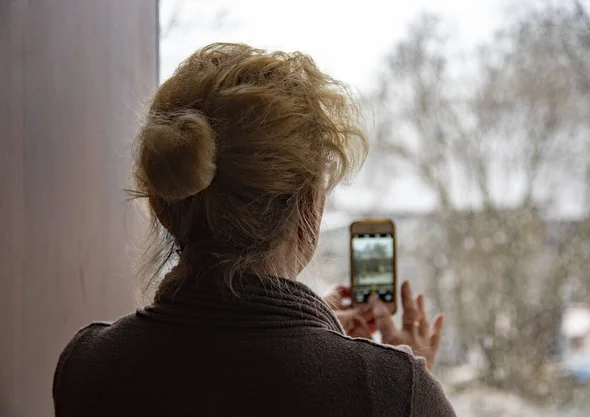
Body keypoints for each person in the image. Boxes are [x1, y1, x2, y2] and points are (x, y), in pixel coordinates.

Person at [52, 43, 456, 417]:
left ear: (161, 204)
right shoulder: (392, 391)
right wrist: (403, 385)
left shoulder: (87, 367)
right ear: (309, 203)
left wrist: (322, 329)